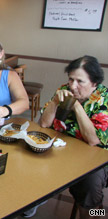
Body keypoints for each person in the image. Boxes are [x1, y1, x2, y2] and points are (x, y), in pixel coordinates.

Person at [39, 55, 108, 218]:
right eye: (71, 80)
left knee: (90, 186)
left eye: (80, 81)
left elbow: (93, 140)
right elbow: (43, 124)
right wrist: (55, 102)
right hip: (63, 149)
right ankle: (30, 203)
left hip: (96, 156)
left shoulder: (103, 99)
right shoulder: (63, 90)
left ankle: (93, 213)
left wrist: (76, 106)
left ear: (94, 83)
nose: (73, 86)